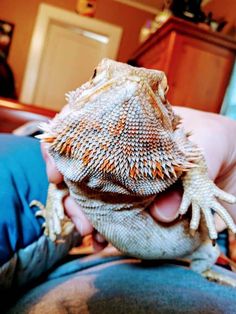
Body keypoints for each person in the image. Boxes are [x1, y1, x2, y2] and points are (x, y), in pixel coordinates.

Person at [1, 106, 236, 313]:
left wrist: (227, 171)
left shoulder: (180, 143)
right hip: (109, 256)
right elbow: (58, 181)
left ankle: (219, 238)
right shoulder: (58, 145)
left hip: (195, 246)